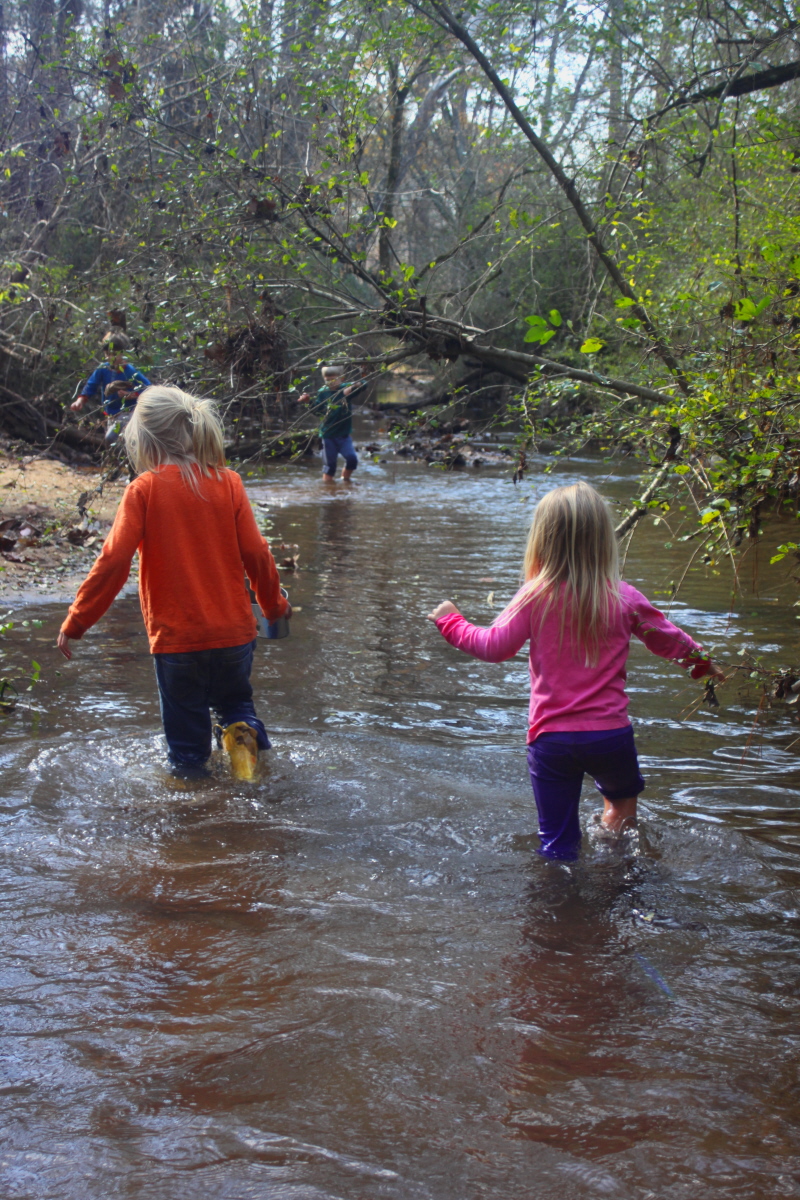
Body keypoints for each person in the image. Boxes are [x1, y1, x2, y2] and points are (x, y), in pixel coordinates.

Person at [427, 480, 725, 860]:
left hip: (552, 740)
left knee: (557, 840)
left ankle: (561, 910)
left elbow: (494, 647)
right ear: (602, 538)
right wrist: (701, 663)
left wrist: (450, 621)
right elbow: (666, 638)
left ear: (543, 539)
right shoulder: (624, 597)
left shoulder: (535, 595)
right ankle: (618, 888)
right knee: (621, 816)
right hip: (610, 737)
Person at [57, 385, 291, 779]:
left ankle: (193, 818)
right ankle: (246, 763)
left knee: (186, 752)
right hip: (235, 635)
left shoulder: (143, 490)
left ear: (144, 440)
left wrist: (77, 621)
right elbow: (257, 554)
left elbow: (113, 561)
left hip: (177, 640)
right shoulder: (229, 482)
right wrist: (273, 609)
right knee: (236, 706)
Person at [71, 330, 152, 444]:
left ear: (122, 353)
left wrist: (131, 395)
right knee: (114, 444)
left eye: (114, 354)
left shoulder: (130, 371)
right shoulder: (103, 369)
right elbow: (91, 385)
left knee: (110, 438)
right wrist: (80, 400)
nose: (111, 358)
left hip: (126, 414)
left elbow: (148, 388)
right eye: (108, 354)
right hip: (110, 415)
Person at [298, 365, 366, 482]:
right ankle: (328, 491)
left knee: (352, 459)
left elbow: (364, 384)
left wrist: (356, 383)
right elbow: (318, 412)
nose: (330, 383)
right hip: (327, 435)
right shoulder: (323, 392)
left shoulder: (345, 389)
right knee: (330, 466)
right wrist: (308, 402)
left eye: (333, 379)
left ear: (342, 378)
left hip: (344, 435)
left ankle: (346, 481)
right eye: (327, 380)